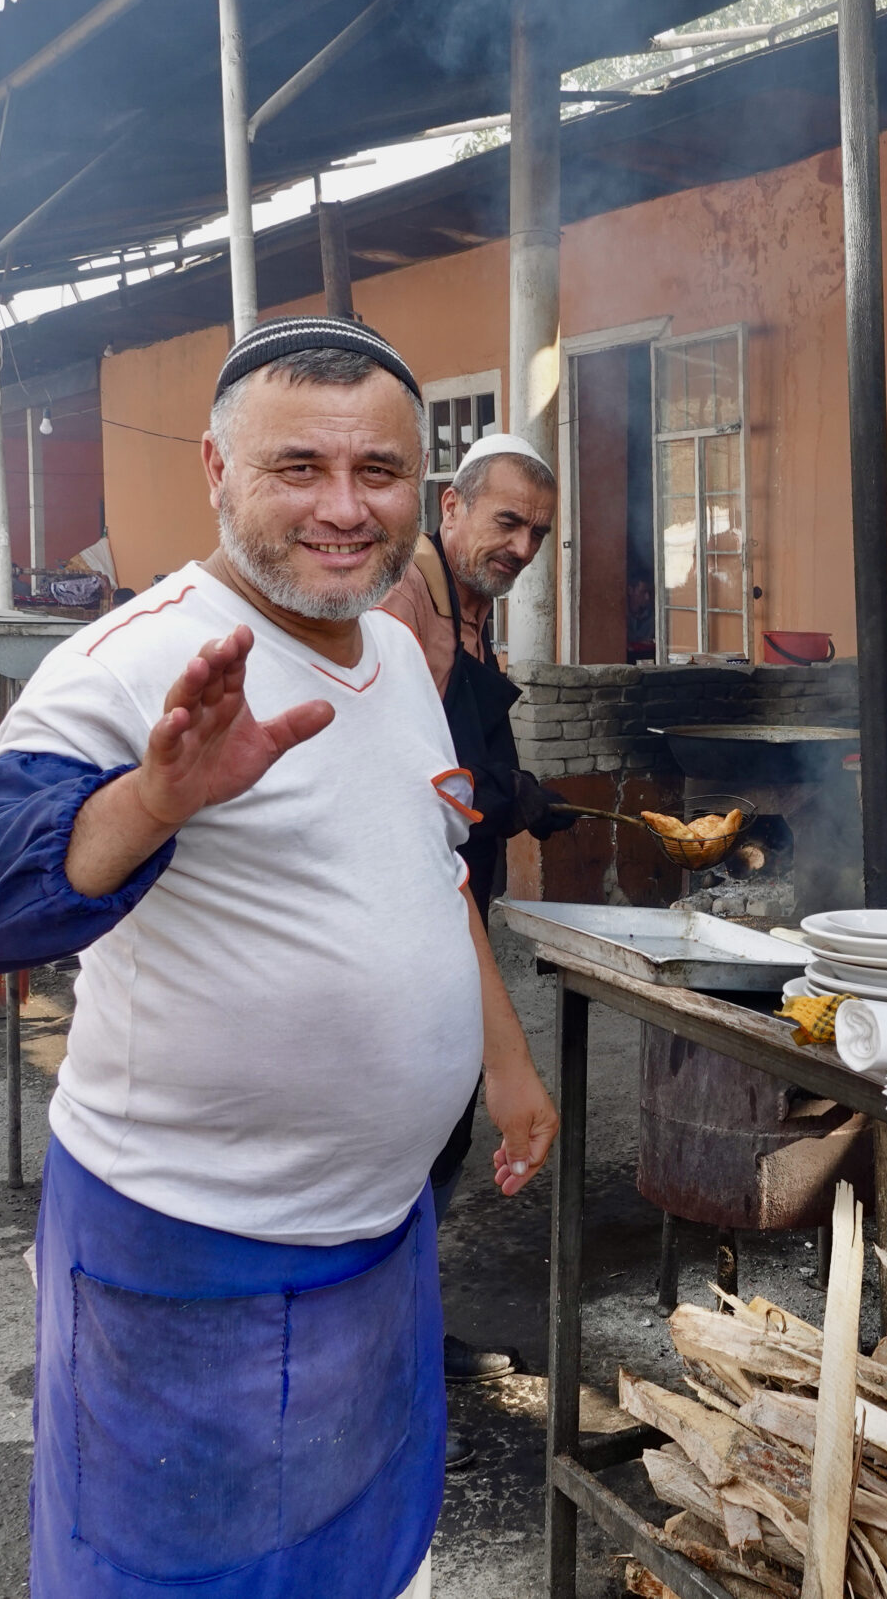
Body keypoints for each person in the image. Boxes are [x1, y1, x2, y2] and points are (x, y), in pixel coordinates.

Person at [0, 317, 557, 1599]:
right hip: (189, 1250)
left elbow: (432, 882)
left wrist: (510, 1065)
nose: (343, 509)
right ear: (215, 469)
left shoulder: (393, 653)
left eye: (376, 473)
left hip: (374, 1239)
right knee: (170, 1573)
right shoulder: (140, 660)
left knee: (355, 1552)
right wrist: (151, 802)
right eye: (296, 469)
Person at [373, 424, 578, 1396]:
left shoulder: (466, 602)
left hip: (449, 896)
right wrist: (504, 799)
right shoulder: (402, 598)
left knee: (438, 1120)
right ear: (448, 507)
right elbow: (412, 787)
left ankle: (399, 1324)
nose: (523, 548)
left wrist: (516, 792)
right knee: (408, 1123)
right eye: (507, 522)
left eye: (539, 533)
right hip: (405, 911)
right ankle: (377, 1339)